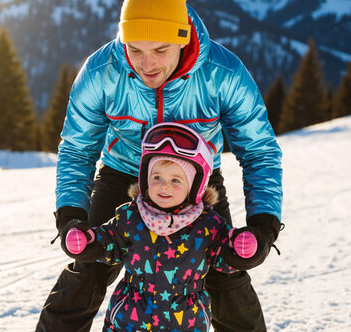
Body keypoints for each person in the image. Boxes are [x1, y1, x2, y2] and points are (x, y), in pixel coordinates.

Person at [36, 0, 283, 331]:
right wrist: (72, 214)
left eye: (160, 50)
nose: (146, 64)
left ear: (182, 38)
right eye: (134, 49)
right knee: (87, 270)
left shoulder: (222, 74)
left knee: (226, 277)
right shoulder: (101, 72)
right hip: (122, 172)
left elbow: (259, 151)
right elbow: (77, 148)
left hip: (195, 181)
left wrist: (264, 225)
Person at [59, 123, 261, 331]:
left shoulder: (207, 224)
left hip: (186, 322)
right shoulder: (131, 216)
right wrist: (89, 241)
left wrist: (238, 248)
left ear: (194, 186)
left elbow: (222, 255)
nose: (164, 185)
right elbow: (110, 242)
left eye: (175, 180)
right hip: (130, 320)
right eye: (157, 178)